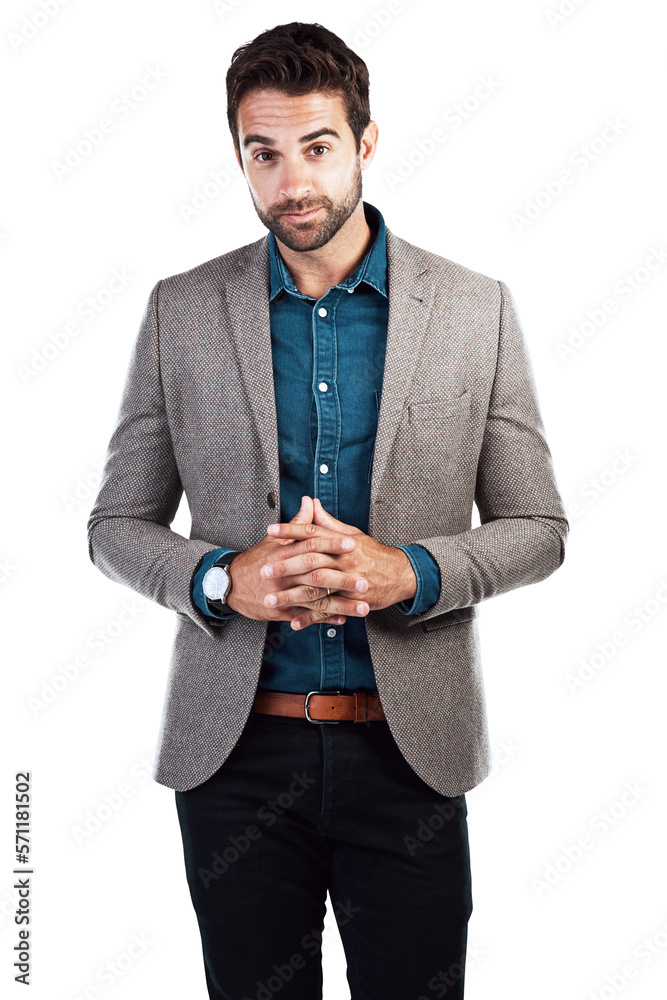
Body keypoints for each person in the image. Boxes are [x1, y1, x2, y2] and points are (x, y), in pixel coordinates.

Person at [87, 21, 568, 1000]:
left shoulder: (476, 308)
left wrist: (414, 572)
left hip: (408, 755)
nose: (290, 180)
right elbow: (114, 526)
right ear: (239, 156)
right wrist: (222, 576)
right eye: (262, 153)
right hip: (236, 761)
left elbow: (539, 527)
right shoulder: (181, 309)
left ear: (366, 143)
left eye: (315, 147)